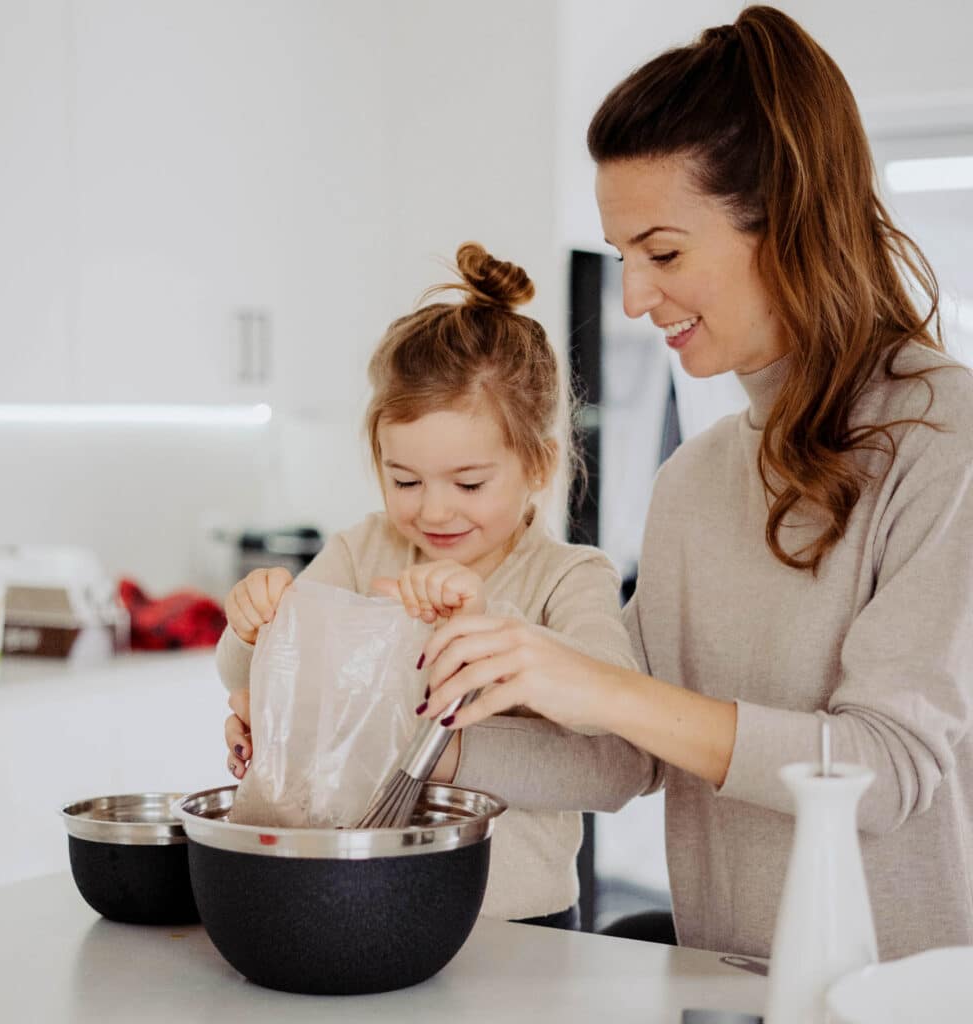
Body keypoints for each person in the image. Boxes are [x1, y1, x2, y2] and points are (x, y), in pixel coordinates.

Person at [416, 6, 973, 961]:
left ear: (789, 221)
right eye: (626, 257)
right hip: (728, 991)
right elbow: (623, 755)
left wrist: (596, 683)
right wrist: (397, 735)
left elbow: (886, 771)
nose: (634, 298)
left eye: (664, 253)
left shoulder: (943, 442)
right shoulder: (695, 479)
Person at [216, 241, 644, 929]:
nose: (433, 511)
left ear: (538, 465)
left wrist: (489, 626)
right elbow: (246, 674)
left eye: (469, 483)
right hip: (362, 903)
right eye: (404, 481)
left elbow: (609, 719)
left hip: (519, 928)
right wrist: (253, 624)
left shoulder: (567, 577)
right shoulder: (364, 550)